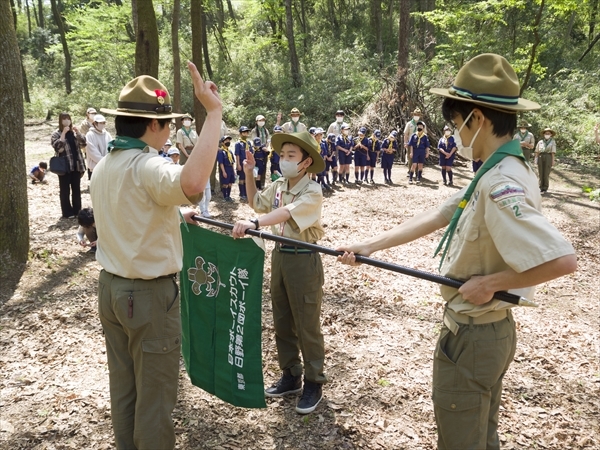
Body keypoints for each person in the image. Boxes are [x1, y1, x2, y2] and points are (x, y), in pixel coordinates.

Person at [337, 53, 577, 450]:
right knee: (480, 434)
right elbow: (439, 214)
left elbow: (561, 259)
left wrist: (491, 283)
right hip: (485, 332)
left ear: (477, 119)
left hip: (474, 334)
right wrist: (367, 246)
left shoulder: (502, 181)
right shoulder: (496, 168)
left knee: (461, 440)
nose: (456, 133)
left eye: (455, 123)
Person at [91, 62, 222, 449]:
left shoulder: (106, 166)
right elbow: (194, 181)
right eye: (166, 125)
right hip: (146, 299)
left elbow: (129, 212)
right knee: (155, 398)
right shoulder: (148, 164)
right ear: (153, 126)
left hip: (112, 289)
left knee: (126, 387)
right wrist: (212, 113)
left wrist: (174, 212)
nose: (167, 132)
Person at [231, 131, 327, 415]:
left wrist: (255, 223)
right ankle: (291, 374)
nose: (284, 160)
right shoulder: (279, 184)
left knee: (306, 323)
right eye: (282, 155)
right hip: (280, 256)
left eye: (291, 156)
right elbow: (256, 203)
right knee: (282, 320)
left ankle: (314, 381)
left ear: (306, 162)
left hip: (303, 258)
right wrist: (249, 173)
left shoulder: (312, 190)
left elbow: (285, 213)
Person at [51, 112, 87, 219]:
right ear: (60, 121)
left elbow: (84, 144)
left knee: (76, 189)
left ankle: (77, 210)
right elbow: (58, 148)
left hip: (76, 166)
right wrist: (63, 134)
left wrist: (78, 132)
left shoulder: (74, 133)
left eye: (68, 118)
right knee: (64, 190)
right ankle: (67, 212)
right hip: (64, 167)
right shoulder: (56, 134)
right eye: (64, 119)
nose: (66, 120)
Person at [85, 114, 112, 180]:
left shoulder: (107, 134)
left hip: (106, 167)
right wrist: (103, 161)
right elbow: (92, 152)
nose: (102, 124)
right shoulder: (90, 135)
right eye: (100, 123)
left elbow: (111, 147)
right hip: (94, 168)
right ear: (95, 123)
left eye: (103, 123)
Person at [534, 127, 556, 194]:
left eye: (548, 133)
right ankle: (540, 187)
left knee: (546, 172)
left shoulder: (552, 142)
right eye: (546, 133)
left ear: (551, 134)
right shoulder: (540, 142)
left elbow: (553, 152)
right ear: (544, 134)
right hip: (541, 156)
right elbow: (537, 151)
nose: (547, 134)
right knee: (540, 172)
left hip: (548, 156)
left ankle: (545, 188)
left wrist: (553, 160)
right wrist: (536, 158)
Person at [235, 126, 252, 200]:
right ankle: (242, 193)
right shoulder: (238, 144)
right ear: (240, 134)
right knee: (241, 179)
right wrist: (238, 164)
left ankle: (246, 193)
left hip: (247, 163)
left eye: (246, 132)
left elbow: (251, 153)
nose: (245, 134)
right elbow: (237, 154)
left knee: (246, 178)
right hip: (241, 163)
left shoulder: (248, 143)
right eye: (244, 132)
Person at [218, 135, 235, 202]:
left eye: (228, 140)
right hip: (225, 168)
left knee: (230, 183)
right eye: (226, 140)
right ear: (222, 143)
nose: (228, 142)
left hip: (230, 168)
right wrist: (224, 171)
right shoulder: (221, 152)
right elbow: (221, 163)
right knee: (225, 183)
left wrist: (233, 171)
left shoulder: (230, 152)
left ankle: (228, 196)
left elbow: (232, 162)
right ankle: (225, 196)